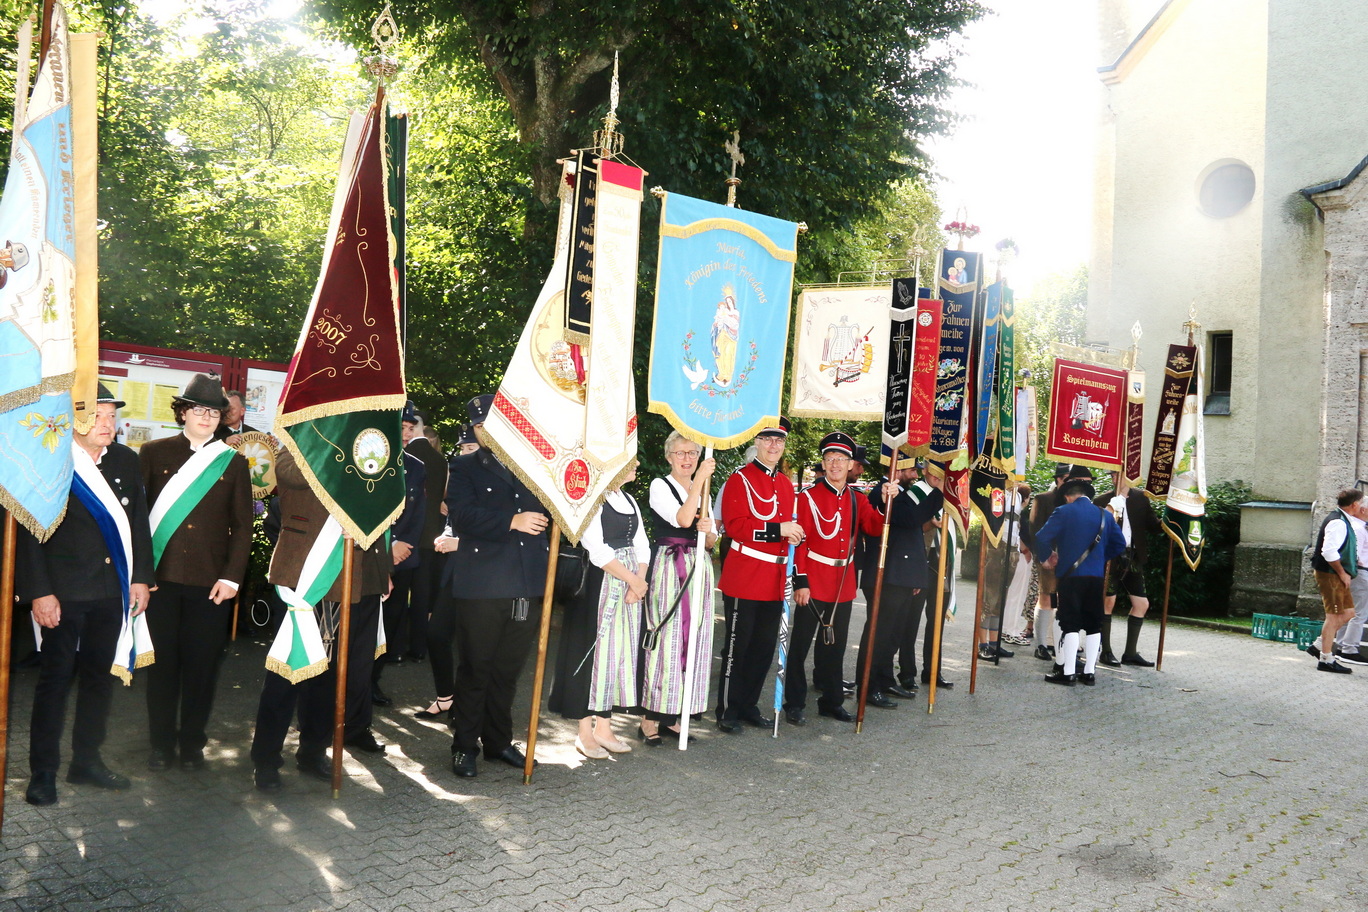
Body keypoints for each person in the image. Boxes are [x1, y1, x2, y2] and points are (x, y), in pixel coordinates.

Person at [18, 384, 154, 806]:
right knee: (55, 682)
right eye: (98, 416)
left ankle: (87, 761)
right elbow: (28, 531)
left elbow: (137, 523)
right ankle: (43, 772)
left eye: (112, 416)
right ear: (76, 419)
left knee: (99, 680)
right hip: (63, 594)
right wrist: (40, 592)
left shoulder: (125, 460)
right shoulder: (52, 459)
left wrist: (141, 578)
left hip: (111, 592)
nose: (108, 424)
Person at [249, 448, 392, 791]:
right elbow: (291, 474)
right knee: (286, 674)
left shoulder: (363, 446)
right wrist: (336, 449)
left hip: (352, 581)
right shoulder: (300, 443)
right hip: (305, 578)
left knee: (329, 678)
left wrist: (383, 572)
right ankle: (266, 760)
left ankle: (313, 751)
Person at [138, 374, 252, 772]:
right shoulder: (153, 453)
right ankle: (160, 745)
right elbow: (137, 520)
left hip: (211, 584)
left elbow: (242, 526)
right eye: (198, 410)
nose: (206, 417)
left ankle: (192, 745)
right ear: (183, 412)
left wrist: (232, 577)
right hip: (161, 581)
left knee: (202, 669)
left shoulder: (233, 462)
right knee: (162, 668)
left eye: (214, 412)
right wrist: (140, 575)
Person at [446, 393, 551, 778]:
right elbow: (461, 516)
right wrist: (512, 521)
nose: (485, 431)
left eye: (492, 423)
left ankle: (498, 742)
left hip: (525, 583)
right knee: (476, 668)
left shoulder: (535, 465)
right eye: (479, 426)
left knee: (508, 671)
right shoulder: (464, 466)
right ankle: (464, 746)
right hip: (483, 584)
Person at [787, 433, 890, 724]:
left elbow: (874, 527)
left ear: (850, 465)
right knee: (800, 645)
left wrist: (885, 503)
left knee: (835, 645)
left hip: (843, 581)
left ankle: (831, 701)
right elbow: (800, 542)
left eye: (841, 459)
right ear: (823, 463)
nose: (835, 464)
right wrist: (801, 581)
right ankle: (794, 702)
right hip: (814, 579)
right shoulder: (807, 497)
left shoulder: (858, 498)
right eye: (830, 459)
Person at [549, 464, 650, 759]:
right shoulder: (591, 499)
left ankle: (604, 729)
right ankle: (584, 733)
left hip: (629, 583)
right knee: (591, 654)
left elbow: (642, 544)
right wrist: (634, 581)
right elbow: (597, 550)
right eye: (630, 460)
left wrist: (640, 581)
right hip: (597, 584)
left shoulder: (628, 500)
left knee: (615, 655)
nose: (636, 465)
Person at [715, 418, 802, 733]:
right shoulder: (740, 479)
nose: (774, 445)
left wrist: (793, 536)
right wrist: (780, 530)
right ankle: (727, 710)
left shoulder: (785, 483)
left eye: (779, 440)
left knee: (763, 649)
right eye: (768, 439)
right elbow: (736, 526)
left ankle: (748, 705)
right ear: (757, 442)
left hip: (775, 578)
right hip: (746, 575)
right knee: (738, 647)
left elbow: (787, 529)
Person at [640, 432, 718, 744]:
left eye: (692, 453)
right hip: (671, 568)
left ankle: (674, 715)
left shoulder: (705, 490)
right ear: (669, 457)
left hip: (699, 567)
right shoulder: (660, 485)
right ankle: (649, 718)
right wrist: (698, 484)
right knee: (668, 639)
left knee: (694, 637)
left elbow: (710, 541)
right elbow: (683, 519)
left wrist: (708, 531)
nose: (687, 459)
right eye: (680, 453)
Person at [855, 456, 944, 707]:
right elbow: (909, 519)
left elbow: (911, 533)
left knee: (892, 635)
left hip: (901, 575)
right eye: (911, 470)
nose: (915, 475)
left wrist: (914, 575)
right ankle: (868, 686)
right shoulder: (883, 492)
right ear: (897, 468)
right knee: (879, 634)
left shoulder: (903, 493)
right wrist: (940, 492)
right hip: (887, 576)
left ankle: (884, 680)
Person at [1033, 475, 1127, 686]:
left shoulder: (1063, 511)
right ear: (1086, 495)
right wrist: (1099, 558)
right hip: (1096, 577)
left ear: (1068, 496)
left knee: (1070, 623)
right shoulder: (1105, 515)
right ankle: (1090, 672)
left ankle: (1067, 673)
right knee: (1094, 624)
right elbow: (1120, 544)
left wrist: (1048, 557)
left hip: (1071, 577)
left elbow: (1041, 537)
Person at [372, 417, 426, 706]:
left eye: (410, 429)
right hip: (372, 556)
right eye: (401, 427)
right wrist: (388, 546)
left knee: (392, 623)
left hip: (403, 557)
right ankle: (355, 680)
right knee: (367, 622)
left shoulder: (416, 466)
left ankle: (372, 681)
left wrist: (403, 547)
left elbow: (418, 514)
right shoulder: (369, 458)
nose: (406, 433)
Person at [1095, 472, 1165, 667]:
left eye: (1120, 475)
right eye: (1113, 475)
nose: (1115, 479)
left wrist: (1173, 518)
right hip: (1110, 558)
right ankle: (1106, 651)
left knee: (1141, 604)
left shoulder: (1141, 498)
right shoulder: (1101, 501)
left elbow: (1154, 526)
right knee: (1108, 602)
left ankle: (1130, 653)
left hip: (1133, 557)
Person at [1306, 488, 1365, 674]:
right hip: (1330, 573)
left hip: (1336, 574)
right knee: (1333, 617)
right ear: (1354, 505)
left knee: (1349, 613)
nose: (1362, 507)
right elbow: (1328, 551)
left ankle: (1318, 645)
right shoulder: (1338, 522)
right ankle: (1326, 659)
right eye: (1361, 503)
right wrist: (1342, 572)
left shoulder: (1344, 520)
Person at [1028, 463, 1072, 661]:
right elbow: (1034, 530)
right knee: (1046, 598)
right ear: (1058, 479)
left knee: (1063, 600)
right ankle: (1041, 645)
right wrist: (1044, 556)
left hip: (1069, 558)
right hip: (1049, 558)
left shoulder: (1073, 501)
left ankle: (1056, 642)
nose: (1069, 483)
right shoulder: (1043, 498)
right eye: (1066, 479)